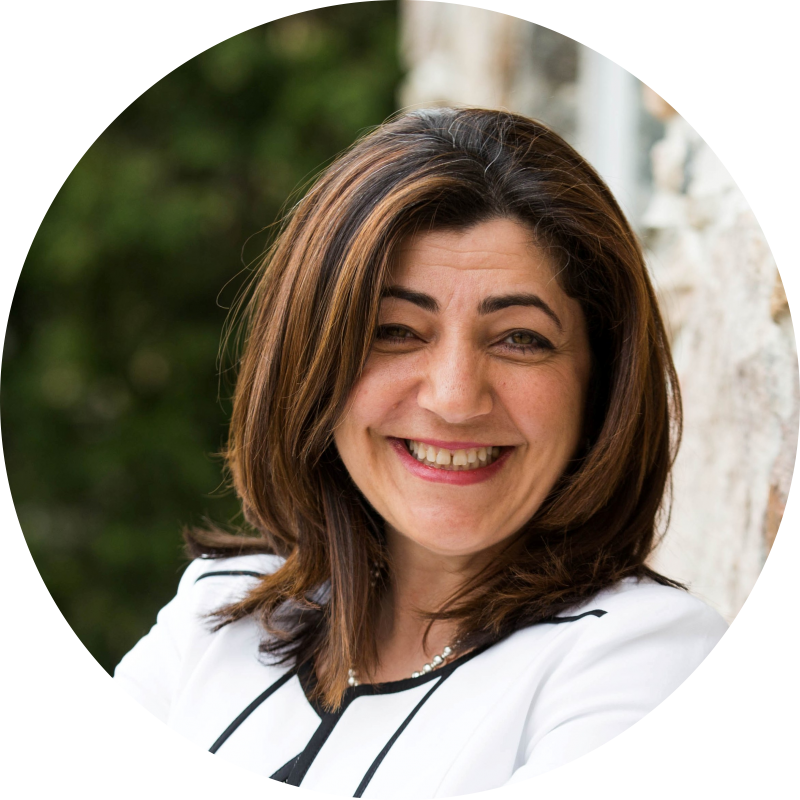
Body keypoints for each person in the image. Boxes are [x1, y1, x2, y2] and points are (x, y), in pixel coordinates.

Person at [3, 108, 759, 800]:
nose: (455, 398)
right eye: (396, 331)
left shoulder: (647, 660)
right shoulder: (218, 620)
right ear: (313, 364)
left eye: (520, 339)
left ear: (600, 380)